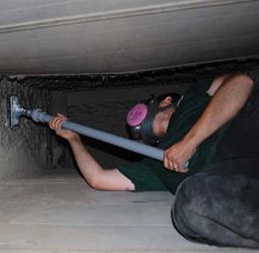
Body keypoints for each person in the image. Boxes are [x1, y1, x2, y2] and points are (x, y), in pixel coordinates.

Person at [49, 72, 259, 248]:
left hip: (243, 133)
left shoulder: (193, 98)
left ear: (166, 102)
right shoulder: (154, 164)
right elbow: (98, 178)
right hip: (234, 185)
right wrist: (74, 139)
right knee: (187, 209)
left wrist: (189, 142)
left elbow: (241, 83)